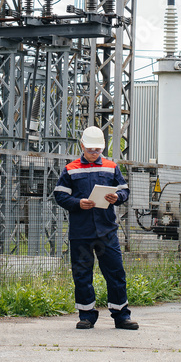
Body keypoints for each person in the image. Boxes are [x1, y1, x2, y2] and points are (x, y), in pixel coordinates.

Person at [52, 126, 139, 330]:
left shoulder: (111, 167)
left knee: (116, 272)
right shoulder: (71, 169)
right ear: (82, 146)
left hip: (106, 231)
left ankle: (121, 316)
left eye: (98, 150)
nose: (94, 153)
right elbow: (60, 195)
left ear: (102, 148)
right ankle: (86, 315)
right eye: (91, 150)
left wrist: (117, 197)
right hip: (81, 232)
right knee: (82, 274)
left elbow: (124, 190)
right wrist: (77, 203)